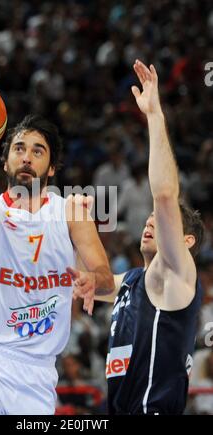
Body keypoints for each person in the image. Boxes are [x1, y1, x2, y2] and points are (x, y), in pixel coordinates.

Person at [0, 114, 114, 415]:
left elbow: (105, 276)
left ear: (52, 168)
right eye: (19, 149)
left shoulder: (71, 214)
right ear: (5, 162)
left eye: (38, 151)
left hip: (36, 372)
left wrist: (94, 279)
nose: (27, 157)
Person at [74, 60, 204, 415]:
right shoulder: (130, 282)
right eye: (148, 219)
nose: (151, 222)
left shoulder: (177, 275)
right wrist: (68, 220)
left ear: (186, 241)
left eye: (159, 222)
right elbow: (80, 281)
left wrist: (154, 115)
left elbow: (163, 196)